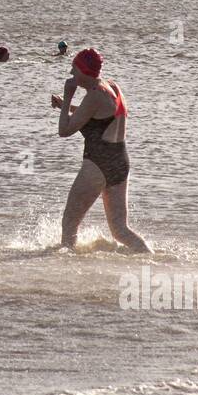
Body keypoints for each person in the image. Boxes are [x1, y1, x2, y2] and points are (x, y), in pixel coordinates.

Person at [50, 48, 149, 253]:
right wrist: (66, 108)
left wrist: (67, 97)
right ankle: (150, 256)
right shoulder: (112, 87)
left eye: (74, 69)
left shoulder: (93, 96)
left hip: (98, 163)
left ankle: (64, 268)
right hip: (119, 160)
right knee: (120, 230)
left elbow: (64, 130)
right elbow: (96, 118)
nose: (71, 73)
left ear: (84, 71)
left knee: (69, 222)